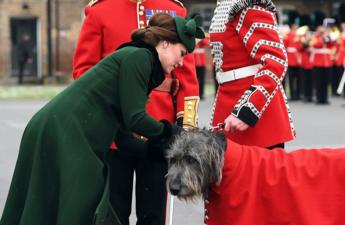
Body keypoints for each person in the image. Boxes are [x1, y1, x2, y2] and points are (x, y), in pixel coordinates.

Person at [0, 13, 205, 225]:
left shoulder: (139, 61)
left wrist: (158, 152)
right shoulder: (140, 57)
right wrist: (172, 134)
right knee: (82, 200)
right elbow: (136, 118)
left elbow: (124, 139)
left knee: (65, 205)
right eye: (181, 53)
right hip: (65, 130)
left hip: (63, 129)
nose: (181, 62)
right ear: (164, 44)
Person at [72, 1, 200, 225]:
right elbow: (85, 73)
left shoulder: (174, 9)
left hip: (159, 129)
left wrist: (185, 127)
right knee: (112, 214)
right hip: (114, 131)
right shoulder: (100, 10)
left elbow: (187, 80)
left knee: (153, 215)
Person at [209, 0, 295, 149]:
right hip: (227, 100)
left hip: (256, 115)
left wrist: (247, 110)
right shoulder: (226, 4)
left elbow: (275, 61)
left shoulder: (248, 5)